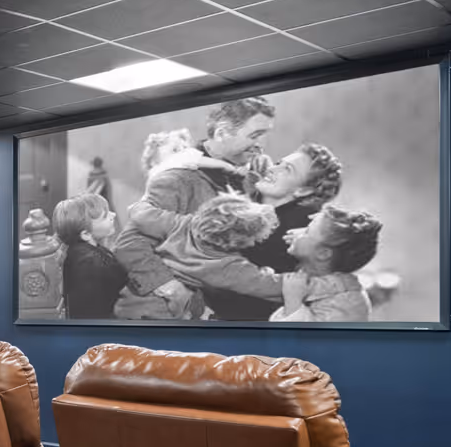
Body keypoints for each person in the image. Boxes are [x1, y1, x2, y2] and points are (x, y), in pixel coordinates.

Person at [115, 98, 277, 317]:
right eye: (255, 135)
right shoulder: (176, 177)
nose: (261, 145)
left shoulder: (251, 176)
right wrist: (171, 288)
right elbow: (129, 244)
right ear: (221, 133)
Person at [220, 142, 347, 321]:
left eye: (287, 169)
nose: (273, 169)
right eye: (279, 162)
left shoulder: (299, 230)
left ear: (304, 190)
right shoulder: (246, 196)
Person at [114, 193, 281, 321]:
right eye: (253, 239)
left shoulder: (178, 223)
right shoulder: (228, 265)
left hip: (128, 301)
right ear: (236, 239)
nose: (253, 244)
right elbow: (269, 286)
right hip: (166, 314)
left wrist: (141, 204)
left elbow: (141, 214)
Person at [272, 205, 383, 322]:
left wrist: (293, 300)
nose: (296, 232)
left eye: (307, 231)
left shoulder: (345, 302)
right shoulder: (316, 275)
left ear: (323, 253)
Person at [54, 192, 127, 319]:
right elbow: (92, 312)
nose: (113, 215)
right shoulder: (89, 263)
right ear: (86, 234)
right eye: (105, 216)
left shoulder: (81, 251)